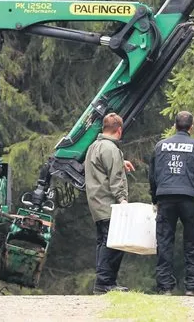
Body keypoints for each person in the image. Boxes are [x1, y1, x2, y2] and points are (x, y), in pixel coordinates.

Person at [149, 111, 194, 297]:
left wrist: (155, 198)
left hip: (166, 198)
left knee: (164, 242)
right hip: (189, 199)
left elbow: (153, 175)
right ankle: (192, 286)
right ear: (191, 126)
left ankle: (165, 288)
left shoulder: (160, 146)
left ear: (174, 125)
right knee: (192, 243)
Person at [85, 113, 136, 295]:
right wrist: (122, 200)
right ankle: (106, 283)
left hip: (97, 203)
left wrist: (121, 162)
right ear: (119, 130)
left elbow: (102, 168)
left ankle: (104, 282)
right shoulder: (111, 149)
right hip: (109, 204)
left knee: (103, 242)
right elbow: (115, 179)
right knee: (113, 243)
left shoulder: (94, 146)